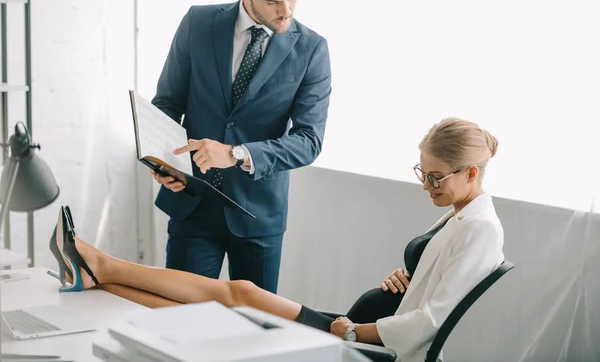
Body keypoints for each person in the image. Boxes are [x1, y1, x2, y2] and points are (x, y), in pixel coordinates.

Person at [51, 118, 504, 362]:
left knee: (237, 296)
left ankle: (99, 266)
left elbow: (431, 322)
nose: (426, 186)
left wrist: (350, 329)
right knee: (230, 300)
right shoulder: (462, 214)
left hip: (361, 343)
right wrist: (408, 275)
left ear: (471, 172)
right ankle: (97, 275)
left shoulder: (480, 228)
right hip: (356, 326)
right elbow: (437, 282)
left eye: (435, 177)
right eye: (422, 174)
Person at [149, 0, 331, 293]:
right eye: (273, 2)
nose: (285, 11)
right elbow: (166, 103)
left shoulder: (311, 49)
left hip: (258, 212)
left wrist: (236, 154)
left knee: (256, 332)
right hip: (193, 203)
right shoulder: (198, 23)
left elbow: (309, 140)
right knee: (180, 321)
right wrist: (164, 162)